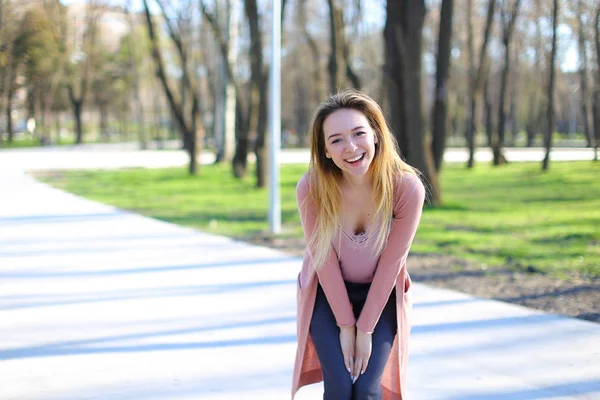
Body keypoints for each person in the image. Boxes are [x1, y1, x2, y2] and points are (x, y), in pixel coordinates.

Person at [292, 89, 426, 400]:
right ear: (325, 150)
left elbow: (392, 265)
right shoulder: (312, 188)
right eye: (336, 139)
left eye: (358, 133)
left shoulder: (406, 188)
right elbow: (322, 262)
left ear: (376, 135)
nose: (350, 147)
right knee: (339, 386)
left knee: (366, 389)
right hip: (326, 293)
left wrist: (364, 329)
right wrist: (345, 325)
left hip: (380, 294)